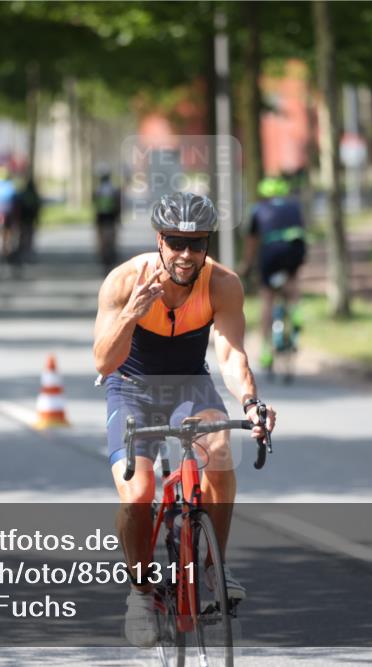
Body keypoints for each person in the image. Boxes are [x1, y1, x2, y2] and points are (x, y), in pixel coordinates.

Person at [93, 192, 277, 647]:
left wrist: (251, 401)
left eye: (197, 243)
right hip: (129, 386)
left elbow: (231, 353)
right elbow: (102, 362)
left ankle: (214, 567)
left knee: (218, 453)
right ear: (160, 239)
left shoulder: (223, 284)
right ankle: (140, 594)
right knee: (139, 493)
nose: (186, 254)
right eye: (176, 242)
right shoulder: (123, 281)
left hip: (189, 386)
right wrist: (134, 311)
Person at [240, 176, 308, 371]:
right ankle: (295, 311)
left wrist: (246, 264)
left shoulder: (257, 209)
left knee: (267, 297)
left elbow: (251, 242)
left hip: (271, 251)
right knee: (292, 282)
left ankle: (266, 351)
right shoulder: (294, 206)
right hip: (295, 248)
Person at [93, 168, 122, 274]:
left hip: (101, 220)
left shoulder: (97, 190)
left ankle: (104, 259)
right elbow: (118, 205)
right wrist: (119, 219)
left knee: (102, 242)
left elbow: (95, 206)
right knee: (111, 241)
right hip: (111, 219)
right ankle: (111, 258)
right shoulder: (114, 189)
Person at [11, 176, 41, 267]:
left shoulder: (22, 195)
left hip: (22, 219)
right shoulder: (34, 195)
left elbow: (17, 208)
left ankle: (21, 253)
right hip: (30, 220)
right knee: (29, 237)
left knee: (21, 237)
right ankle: (27, 254)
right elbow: (37, 209)